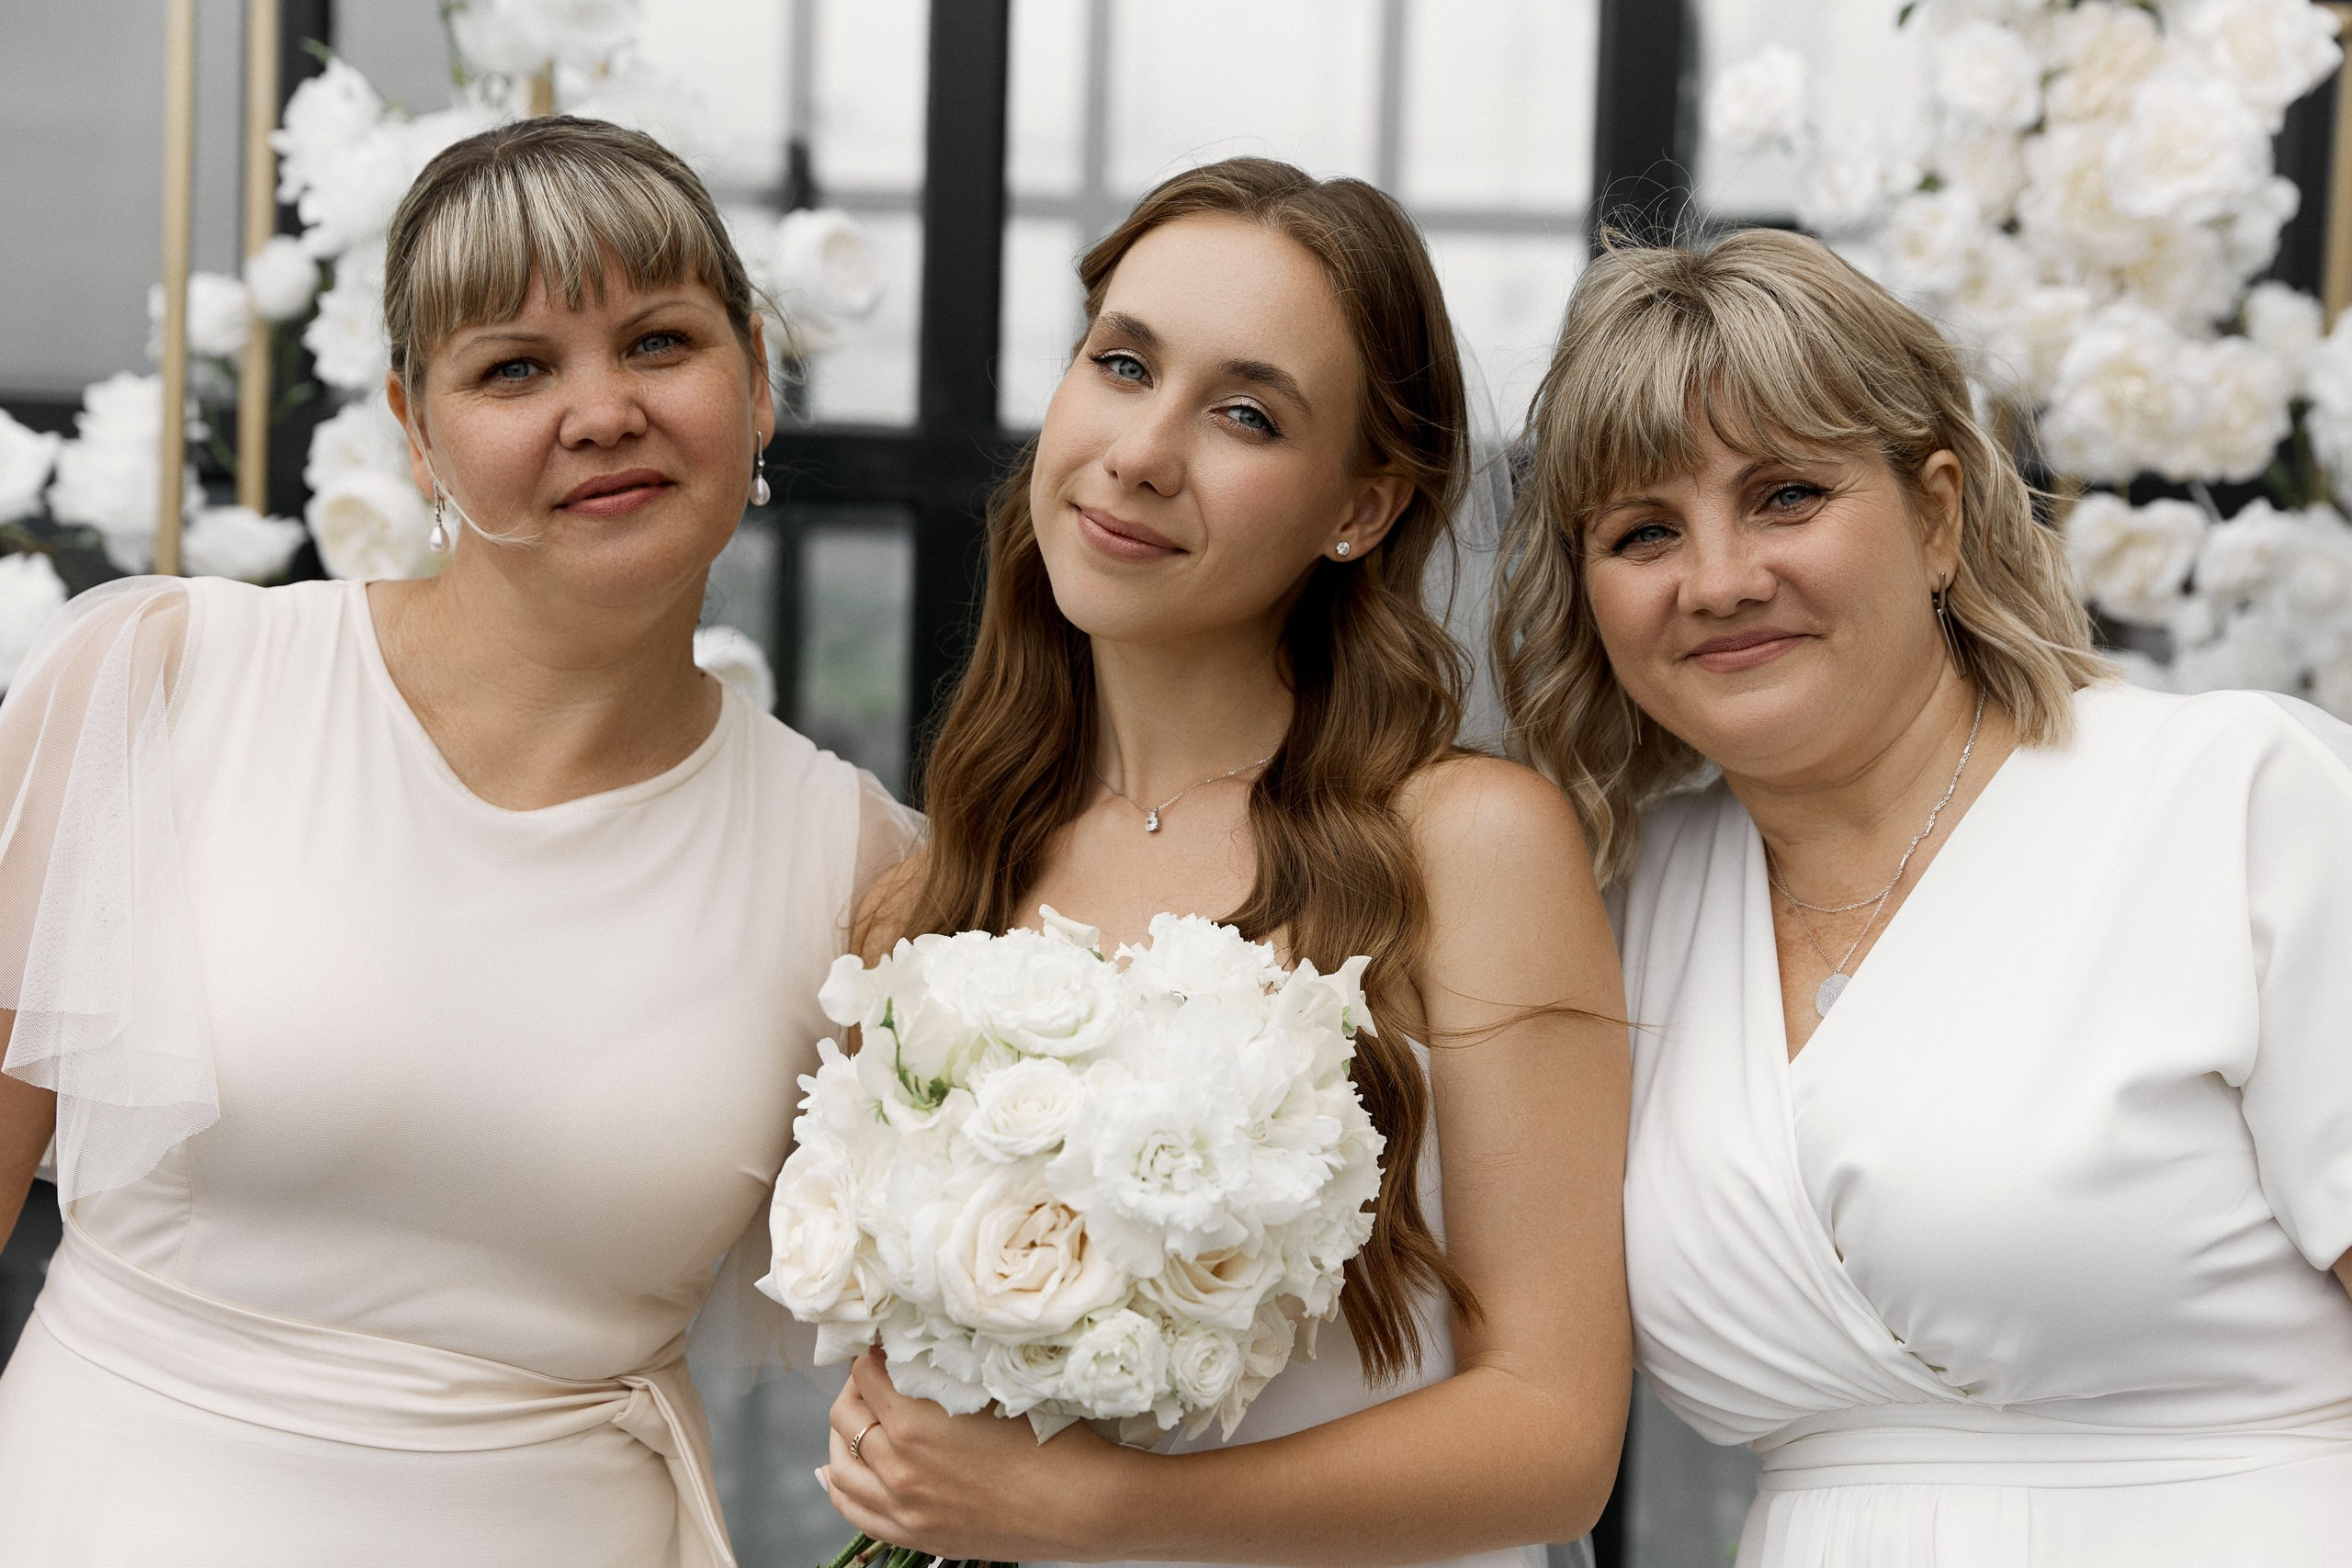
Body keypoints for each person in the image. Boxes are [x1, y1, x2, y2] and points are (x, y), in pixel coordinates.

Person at [0, 117, 916, 1565]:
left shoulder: (859, 868)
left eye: (661, 343)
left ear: (757, 379)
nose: (604, 410)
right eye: (516, 368)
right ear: (415, 431)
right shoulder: (167, 683)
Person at [807, 158, 1632, 1568]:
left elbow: (1553, 1441)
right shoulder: (938, 887)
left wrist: (1105, 1516)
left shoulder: (1469, 845)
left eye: (1245, 414)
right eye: (1121, 365)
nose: (1142, 449)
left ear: (1361, 507)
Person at [1495, 226, 2352, 1566]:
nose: (1719, 580)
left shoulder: (2235, 797)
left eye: (1784, 496)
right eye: (1644, 530)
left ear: (1938, 514)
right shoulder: (1615, 908)